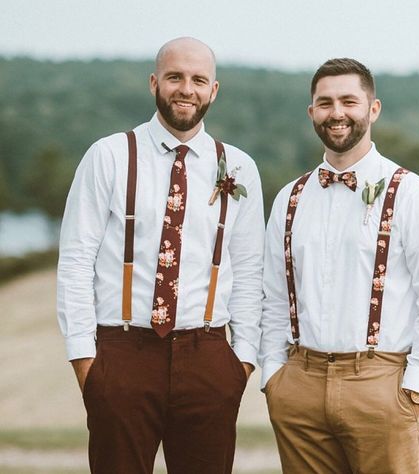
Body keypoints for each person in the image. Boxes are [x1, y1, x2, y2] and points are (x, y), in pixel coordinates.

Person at [57, 37, 264, 474]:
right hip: (122, 351)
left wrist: (241, 361)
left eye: (197, 79)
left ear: (213, 90)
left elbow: (248, 270)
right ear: (154, 82)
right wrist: (86, 363)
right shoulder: (108, 156)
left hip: (207, 353)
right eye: (175, 77)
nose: (185, 89)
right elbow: (76, 260)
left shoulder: (239, 167)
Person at [259, 58, 419, 473]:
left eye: (349, 101)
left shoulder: (415, 196)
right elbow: (274, 292)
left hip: (381, 383)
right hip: (299, 383)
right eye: (325, 102)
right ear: (311, 112)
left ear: (373, 109)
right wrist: (273, 375)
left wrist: (415, 389)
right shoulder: (289, 198)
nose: (337, 113)